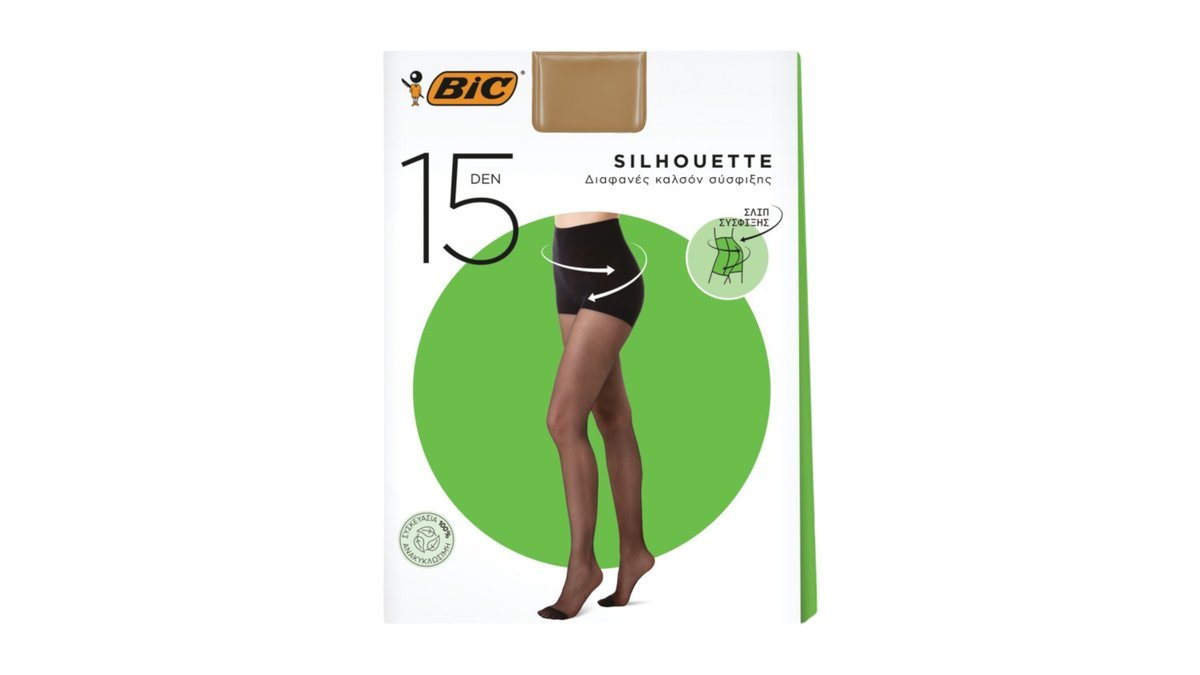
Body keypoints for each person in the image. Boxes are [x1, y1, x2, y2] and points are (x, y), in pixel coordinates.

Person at [539, 211, 655, 620]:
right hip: (566, 268)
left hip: (610, 274)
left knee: (562, 421)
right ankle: (634, 552)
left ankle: (583, 565)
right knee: (612, 416)